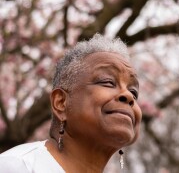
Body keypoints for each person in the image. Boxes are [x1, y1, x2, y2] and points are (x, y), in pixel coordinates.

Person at [0, 34, 142, 172]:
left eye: (134, 92)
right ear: (61, 102)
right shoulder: (17, 166)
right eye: (108, 82)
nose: (128, 95)